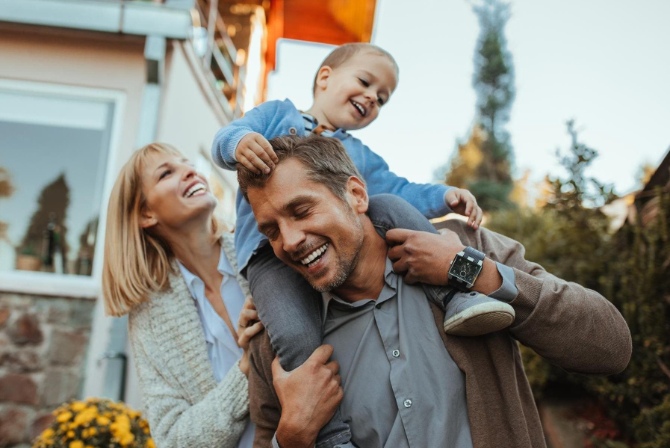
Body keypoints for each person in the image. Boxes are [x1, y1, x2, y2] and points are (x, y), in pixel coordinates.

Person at [237, 134, 633, 448]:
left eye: (302, 211)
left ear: (356, 195)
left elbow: (610, 346)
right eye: (270, 231)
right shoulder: (278, 340)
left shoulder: (463, 246)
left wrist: (471, 271)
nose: (288, 241)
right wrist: (292, 439)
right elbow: (266, 436)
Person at [212, 42, 514, 447]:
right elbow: (227, 136)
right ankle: (332, 437)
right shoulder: (277, 115)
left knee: (389, 206)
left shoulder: (358, 156)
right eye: (365, 82)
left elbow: (398, 190)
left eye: (382, 99)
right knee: (295, 335)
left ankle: (457, 292)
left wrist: (445, 196)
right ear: (325, 78)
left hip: (350, 251)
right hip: (268, 258)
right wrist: (239, 144)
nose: (372, 97)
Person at [101, 143, 278, 448]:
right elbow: (172, 439)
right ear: (146, 213)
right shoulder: (151, 318)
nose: (190, 171)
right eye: (166, 173)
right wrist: (246, 368)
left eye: (187, 163)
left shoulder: (261, 252)